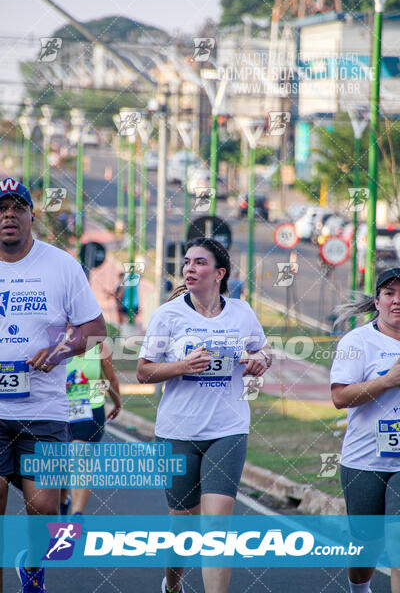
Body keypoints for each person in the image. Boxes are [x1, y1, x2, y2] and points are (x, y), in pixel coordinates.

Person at [137, 237, 272, 593]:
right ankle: (173, 585)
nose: (189, 269)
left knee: (216, 526)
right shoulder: (168, 315)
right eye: (186, 263)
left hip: (227, 430)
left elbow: (263, 349)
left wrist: (262, 361)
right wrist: (183, 365)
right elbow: (144, 372)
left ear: (219, 273)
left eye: (199, 263)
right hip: (177, 432)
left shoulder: (241, 312)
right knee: (182, 526)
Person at [0, 178, 106, 593]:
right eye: (1, 208)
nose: (8, 215)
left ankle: (32, 564)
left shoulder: (60, 265)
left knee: (43, 506)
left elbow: (95, 330)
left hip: (44, 409)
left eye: (17, 207)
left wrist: (61, 351)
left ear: (31, 215)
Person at [330, 267, 400, 593]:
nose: (397, 301)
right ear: (377, 301)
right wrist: (387, 381)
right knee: (366, 544)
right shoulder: (357, 341)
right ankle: (360, 588)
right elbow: (339, 397)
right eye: (389, 294)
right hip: (364, 460)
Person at [60, 340, 121, 515]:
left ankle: (77, 514)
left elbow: (111, 378)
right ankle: (63, 503)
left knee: (80, 458)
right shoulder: (57, 343)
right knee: (62, 465)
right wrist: (58, 386)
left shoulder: (100, 346)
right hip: (61, 412)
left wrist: (117, 403)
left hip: (91, 410)